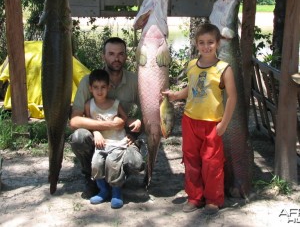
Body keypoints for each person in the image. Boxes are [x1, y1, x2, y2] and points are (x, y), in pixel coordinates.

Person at [163, 23, 237, 215]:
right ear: (196, 44)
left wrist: (224, 124)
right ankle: (194, 197)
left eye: (210, 42)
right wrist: (176, 95)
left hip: (213, 123)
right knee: (191, 160)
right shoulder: (191, 65)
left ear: (218, 43)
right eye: (202, 43)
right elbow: (192, 88)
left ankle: (213, 200)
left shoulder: (223, 68)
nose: (206, 47)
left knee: (212, 162)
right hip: (190, 121)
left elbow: (233, 97)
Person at [69, 37, 145, 199]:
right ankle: (91, 177)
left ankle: (118, 179)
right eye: (111, 54)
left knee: (135, 163)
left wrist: (135, 130)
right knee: (79, 137)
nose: (116, 58)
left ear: (125, 56)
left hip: (121, 137)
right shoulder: (89, 81)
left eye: (120, 54)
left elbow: (148, 112)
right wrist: (106, 126)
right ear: (103, 56)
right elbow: (74, 120)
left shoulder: (135, 81)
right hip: (96, 135)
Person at [85, 69, 127, 208]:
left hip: (117, 142)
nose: (100, 91)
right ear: (90, 88)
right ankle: (103, 190)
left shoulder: (115, 103)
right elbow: (88, 122)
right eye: (96, 87)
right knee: (96, 164)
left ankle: (116, 191)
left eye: (103, 87)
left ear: (109, 87)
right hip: (101, 144)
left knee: (112, 165)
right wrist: (96, 132)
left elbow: (124, 119)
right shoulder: (88, 105)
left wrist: (118, 119)